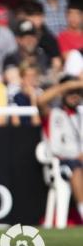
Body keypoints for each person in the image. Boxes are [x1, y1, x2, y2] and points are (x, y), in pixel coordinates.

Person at [37, 76, 83, 221]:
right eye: (71, 91)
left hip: (79, 159)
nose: (75, 95)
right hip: (60, 163)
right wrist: (66, 86)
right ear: (62, 93)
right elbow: (40, 100)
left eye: (78, 92)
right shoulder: (51, 113)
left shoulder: (80, 114)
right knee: (75, 168)